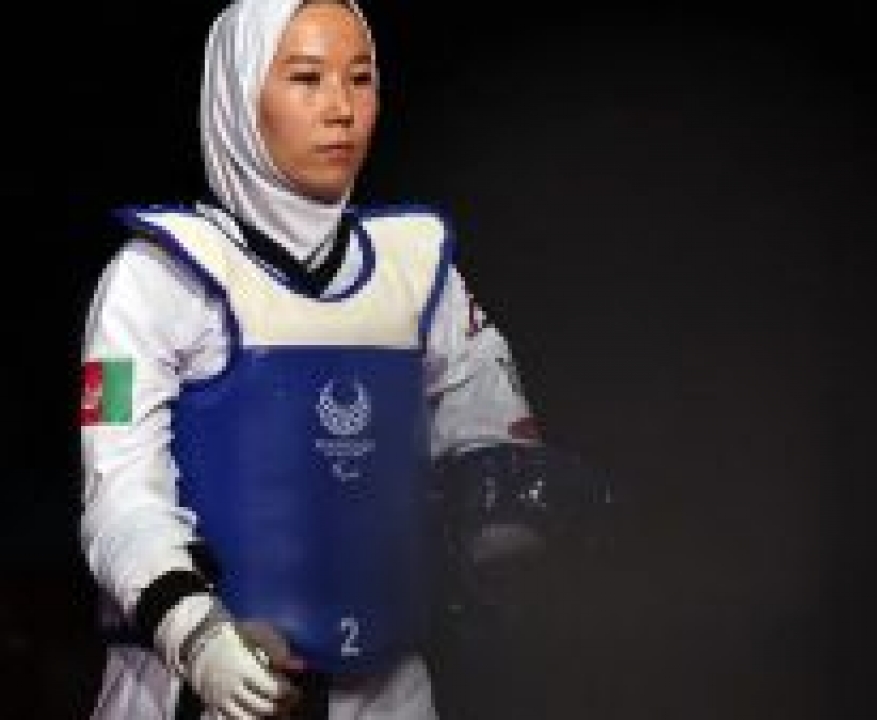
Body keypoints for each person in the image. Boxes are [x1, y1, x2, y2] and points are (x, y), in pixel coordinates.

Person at [76, 1, 611, 717]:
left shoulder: (420, 274)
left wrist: (510, 534)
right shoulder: (161, 277)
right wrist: (196, 633)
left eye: (360, 79)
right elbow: (119, 495)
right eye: (307, 78)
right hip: (196, 687)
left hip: (388, 692)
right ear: (239, 94)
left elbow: (494, 451)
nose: (341, 109)